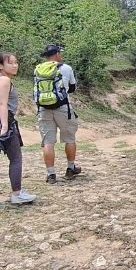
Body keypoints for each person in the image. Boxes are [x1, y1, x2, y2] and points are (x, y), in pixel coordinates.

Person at [0, 52, 37, 209]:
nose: (15, 65)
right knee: (16, 158)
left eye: (16, 62)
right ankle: (16, 194)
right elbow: (2, 105)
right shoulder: (4, 80)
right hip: (2, 122)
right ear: (0, 65)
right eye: (11, 63)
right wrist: (5, 126)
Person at [34, 43, 80, 183]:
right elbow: (72, 88)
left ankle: (51, 174)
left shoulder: (38, 69)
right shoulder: (66, 68)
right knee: (69, 138)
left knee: (48, 142)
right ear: (57, 54)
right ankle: (70, 168)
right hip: (62, 108)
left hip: (43, 108)